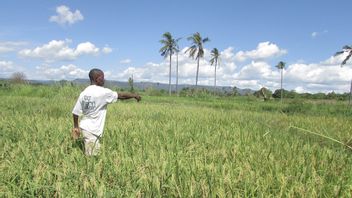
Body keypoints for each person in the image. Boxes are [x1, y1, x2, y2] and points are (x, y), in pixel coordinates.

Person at [72, 68, 141, 156]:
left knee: (91, 154)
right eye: (102, 77)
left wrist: (76, 127)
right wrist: (134, 95)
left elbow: (75, 112)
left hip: (86, 127)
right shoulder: (102, 92)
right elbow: (121, 96)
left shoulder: (84, 93)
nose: (104, 80)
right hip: (92, 130)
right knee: (92, 158)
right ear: (97, 78)